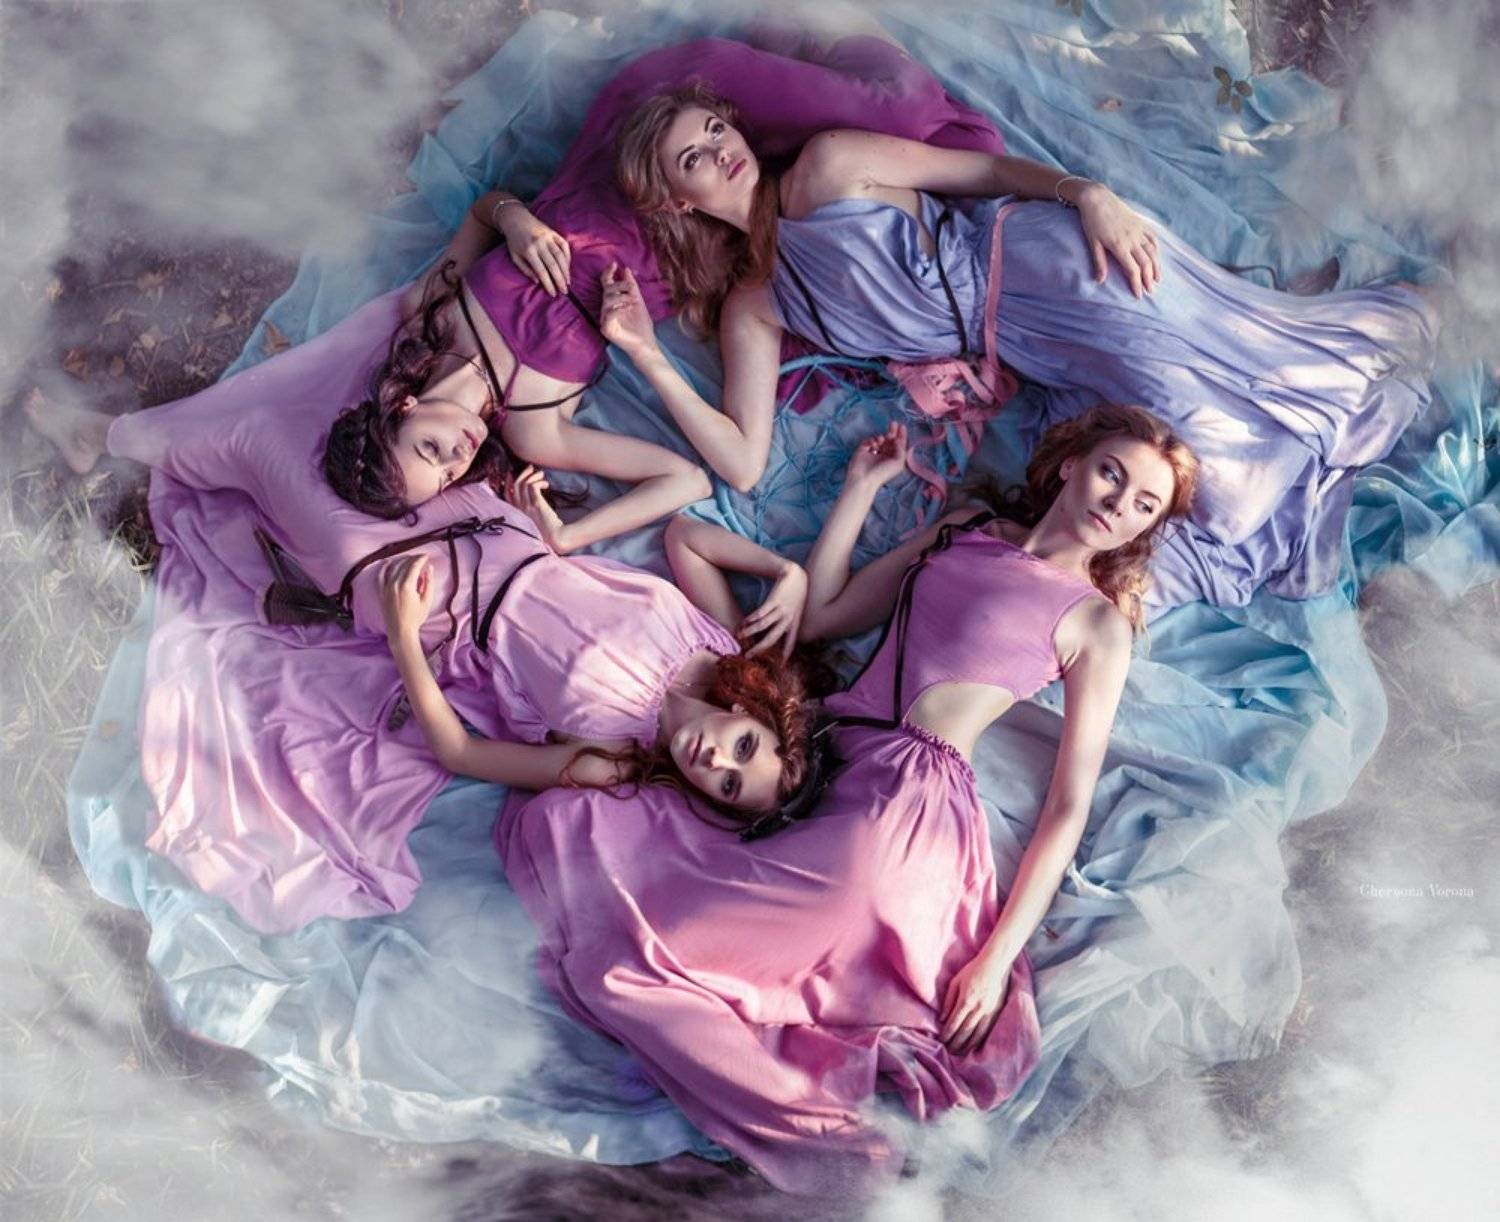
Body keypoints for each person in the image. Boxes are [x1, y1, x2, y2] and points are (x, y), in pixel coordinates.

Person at [497, 403, 1200, 1192]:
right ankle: (814, 1123)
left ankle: (839, 1150)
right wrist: (862, 488)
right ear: (1071, 464)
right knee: (576, 821)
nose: (1118, 503)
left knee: (632, 968)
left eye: (1144, 504)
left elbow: (1069, 805)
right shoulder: (967, 527)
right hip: (826, 756)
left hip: (903, 810)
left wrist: (997, 957)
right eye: (1112, 474)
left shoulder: (1098, 626)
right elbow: (830, 613)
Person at [607, 84, 1437, 606]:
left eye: (716, 128)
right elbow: (742, 463)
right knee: (1186, 490)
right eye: (694, 157)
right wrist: (645, 351)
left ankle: (1411, 335)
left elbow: (983, 175)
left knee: (1231, 443)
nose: (722, 151)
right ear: (675, 202)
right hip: (1029, 354)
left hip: (1046, 267)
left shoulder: (827, 166)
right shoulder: (753, 305)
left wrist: (1090, 196)